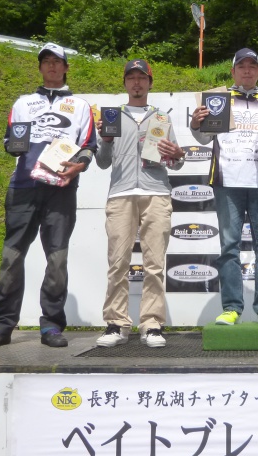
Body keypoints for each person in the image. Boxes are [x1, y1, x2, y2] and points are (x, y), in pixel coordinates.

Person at [0, 43, 97, 349]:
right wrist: (14, 146)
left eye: (58, 62)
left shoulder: (81, 106)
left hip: (61, 188)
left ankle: (52, 326)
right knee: (11, 258)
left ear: (66, 67)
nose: (52, 67)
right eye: (46, 62)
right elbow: (10, 141)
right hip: (23, 187)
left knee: (57, 259)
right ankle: (1, 326)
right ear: (40, 68)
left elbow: (87, 147)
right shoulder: (23, 103)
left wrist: (77, 167)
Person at [95, 59, 186, 349]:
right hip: (120, 193)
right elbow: (102, 161)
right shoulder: (111, 116)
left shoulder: (161, 118)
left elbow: (177, 161)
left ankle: (152, 324)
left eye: (142, 78)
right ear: (124, 83)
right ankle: (117, 323)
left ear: (150, 82)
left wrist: (178, 153)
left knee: (154, 264)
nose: (136, 83)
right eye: (131, 77)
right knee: (118, 262)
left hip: (156, 192)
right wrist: (106, 140)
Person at [189, 48, 258, 326]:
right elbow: (204, 138)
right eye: (241, 66)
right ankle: (231, 307)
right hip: (226, 181)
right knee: (229, 246)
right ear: (232, 71)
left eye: (252, 66)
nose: (246, 70)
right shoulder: (218, 99)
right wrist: (196, 124)